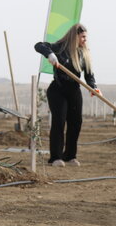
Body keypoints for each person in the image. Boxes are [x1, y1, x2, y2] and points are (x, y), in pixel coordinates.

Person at [34, 23, 99, 167]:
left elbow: (89, 75)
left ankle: (70, 156)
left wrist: (93, 87)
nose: (85, 40)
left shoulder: (84, 53)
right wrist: (50, 54)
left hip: (74, 91)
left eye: (86, 37)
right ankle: (56, 157)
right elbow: (38, 45)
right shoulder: (59, 47)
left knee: (76, 122)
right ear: (75, 36)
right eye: (82, 37)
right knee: (59, 121)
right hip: (58, 89)